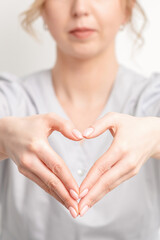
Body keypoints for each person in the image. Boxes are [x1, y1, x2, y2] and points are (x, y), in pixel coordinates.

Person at [0, 0, 160, 239]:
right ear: (43, 11)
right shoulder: (12, 98)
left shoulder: (150, 98)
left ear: (126, 9)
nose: (80, 8)